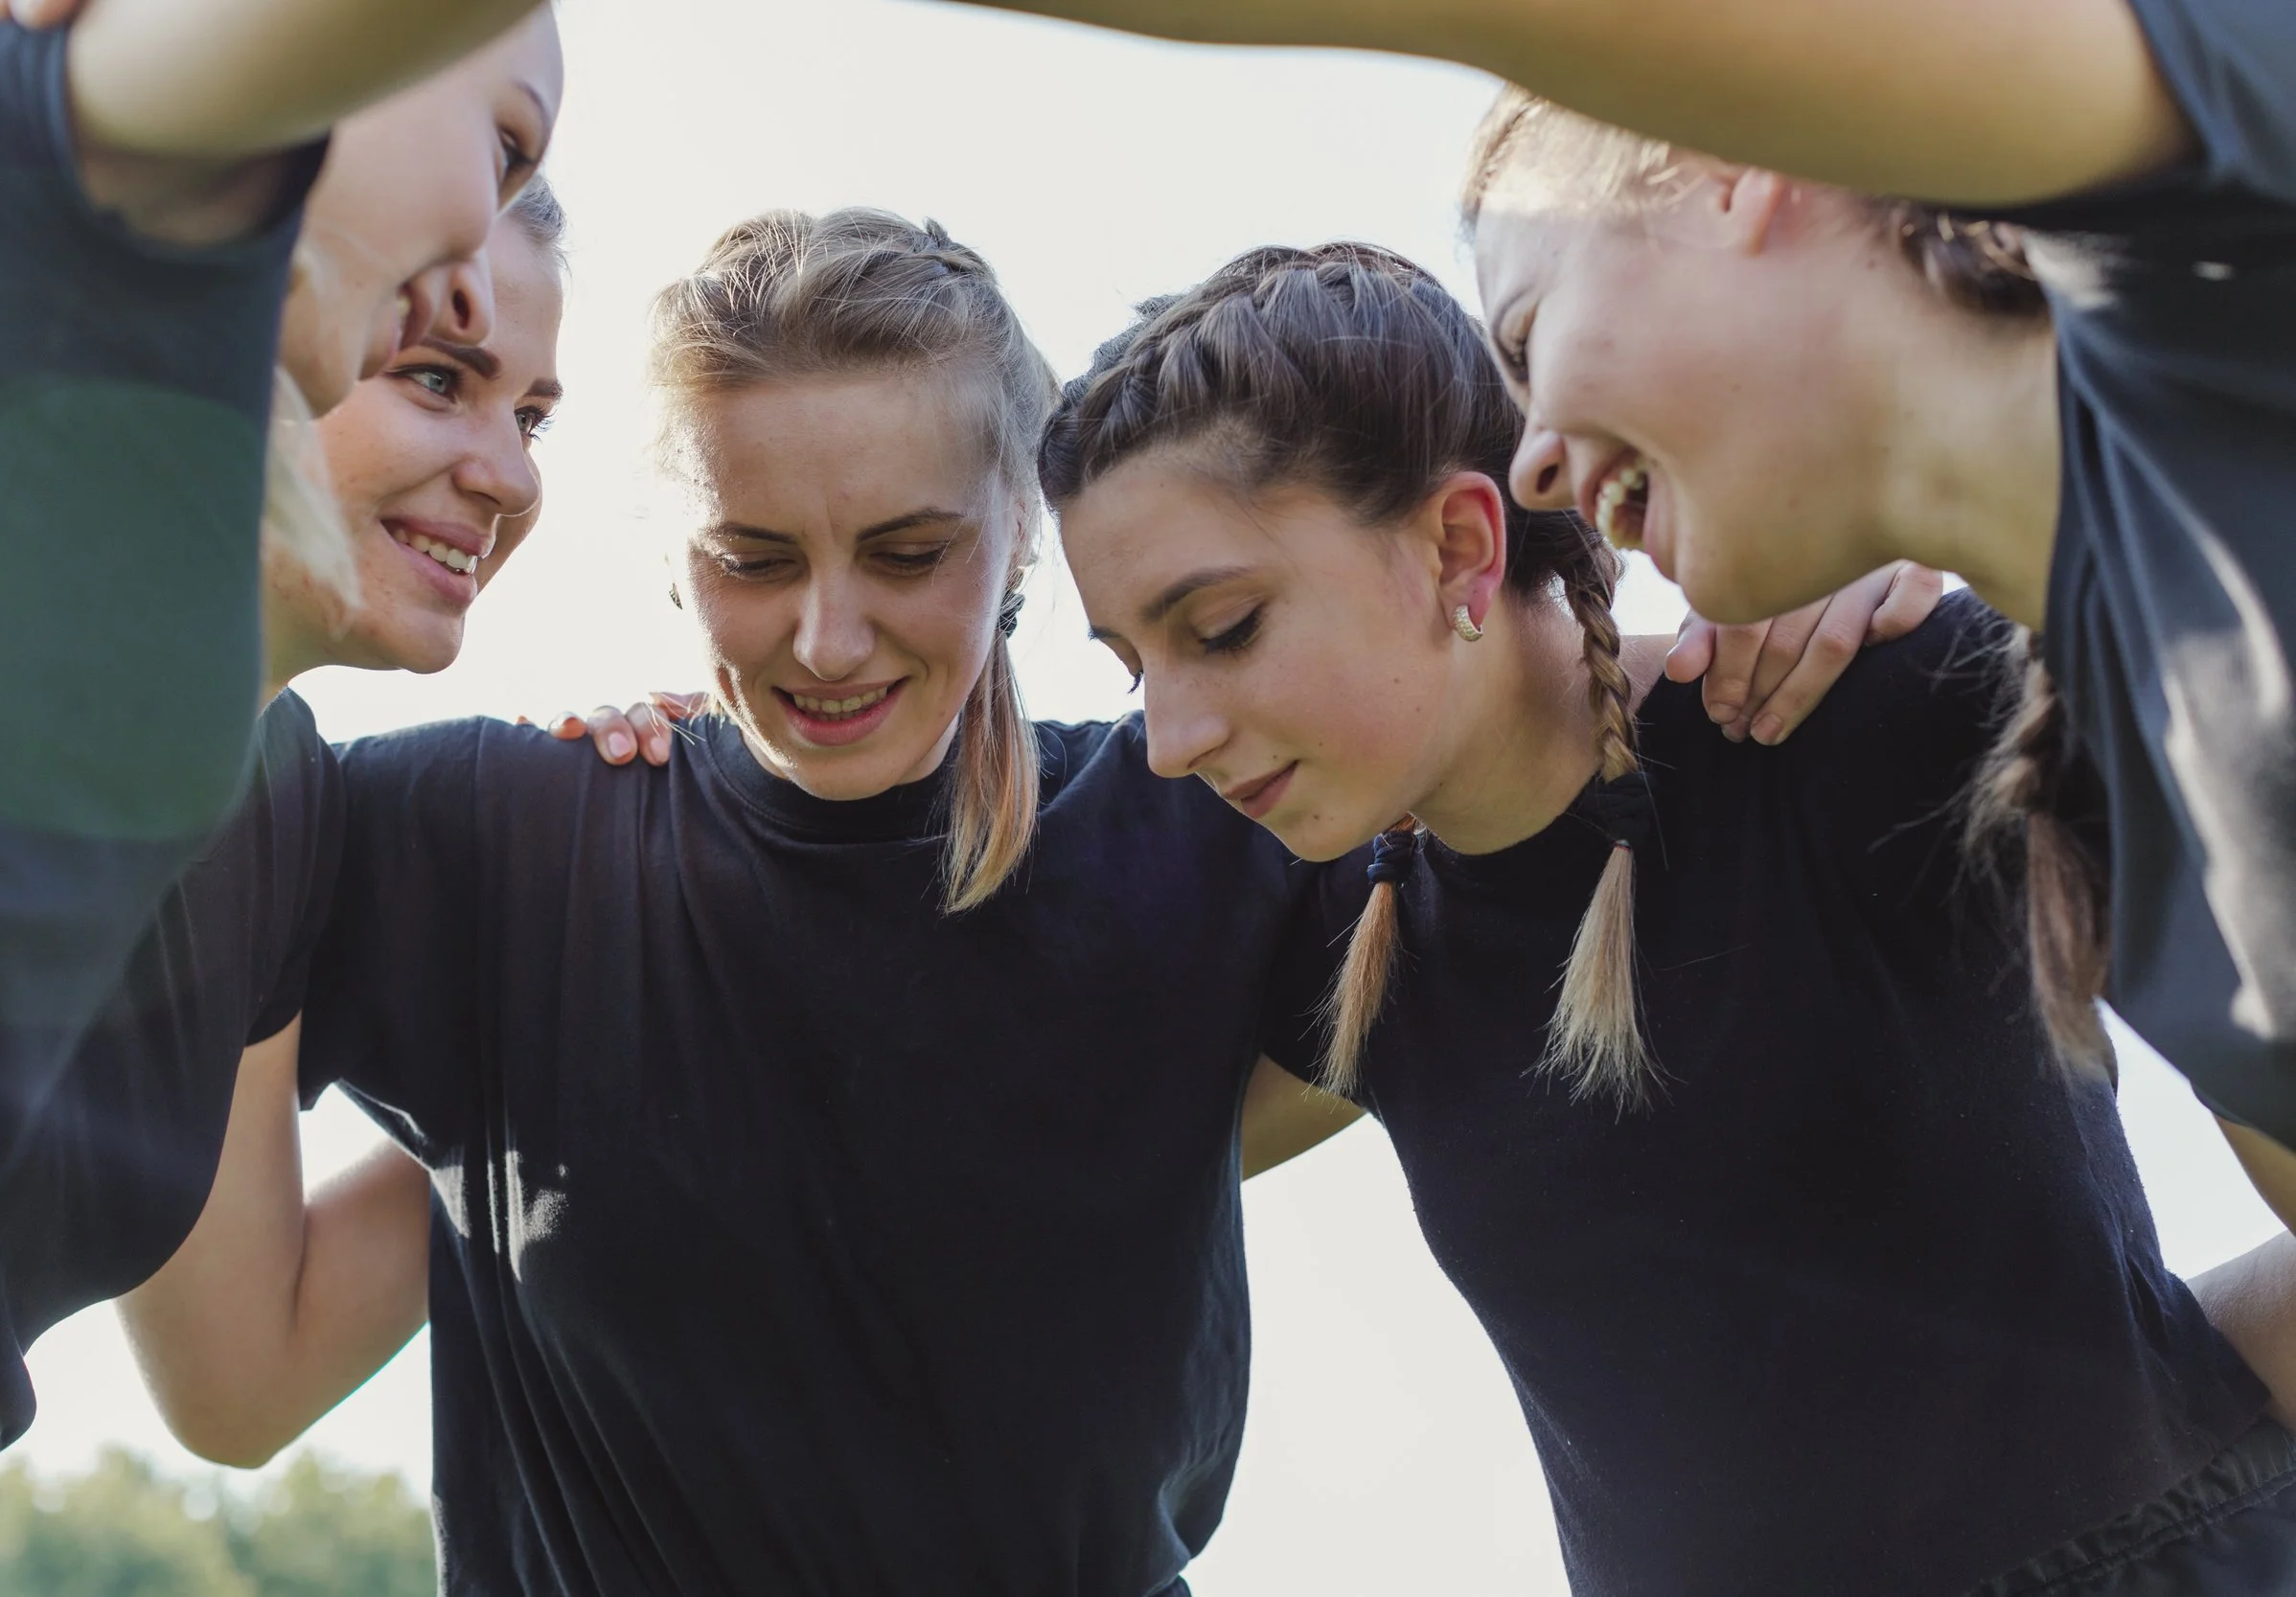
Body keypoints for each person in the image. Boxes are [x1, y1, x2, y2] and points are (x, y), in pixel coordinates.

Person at [118, 205, 1905, 1593]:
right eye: (752, 560)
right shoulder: (481, 841)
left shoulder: (1212, 829)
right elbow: (240, 1377)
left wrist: (1790, 588)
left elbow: (1538, 772)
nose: (827, 639)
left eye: (909, 552)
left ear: (1021, 537)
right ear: (673, 554)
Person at [1045, 240, 2296, 1596]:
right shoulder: (1359, 946)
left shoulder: (1882, 711)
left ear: (1461, 545)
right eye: (1132, 667)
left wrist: (2184, 1421)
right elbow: (1016, 1189)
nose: (1165, 738)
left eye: (1221, 627)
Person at [947, 0, 2296, 1247]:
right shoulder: (2147, 819)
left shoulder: (2183, 254)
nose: (1533, 465)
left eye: (1528, 335)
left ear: (1732, 160)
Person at [0, 0, 563, 1585]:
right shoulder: (29, 222)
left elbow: (244, 1369)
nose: (509, 472)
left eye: (532, 415)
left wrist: (594, 1045)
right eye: (443, 375)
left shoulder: (269, 803)